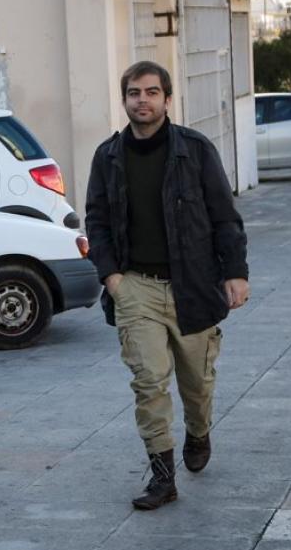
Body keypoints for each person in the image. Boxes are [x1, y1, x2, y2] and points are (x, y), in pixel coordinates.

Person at [85, 60, 250, 511]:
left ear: (167, 99)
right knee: (149, 381)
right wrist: (112, 278)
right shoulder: (108, 156)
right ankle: (162, 478)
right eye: (134, 93)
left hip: (193, 285)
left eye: (152, 92)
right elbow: (97, 220)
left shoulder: (194, 150)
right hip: (135, 287)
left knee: (197, 383)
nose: (143, 100)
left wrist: (235, 272)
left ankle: (199, 431)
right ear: (125, 99)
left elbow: (224, 216)